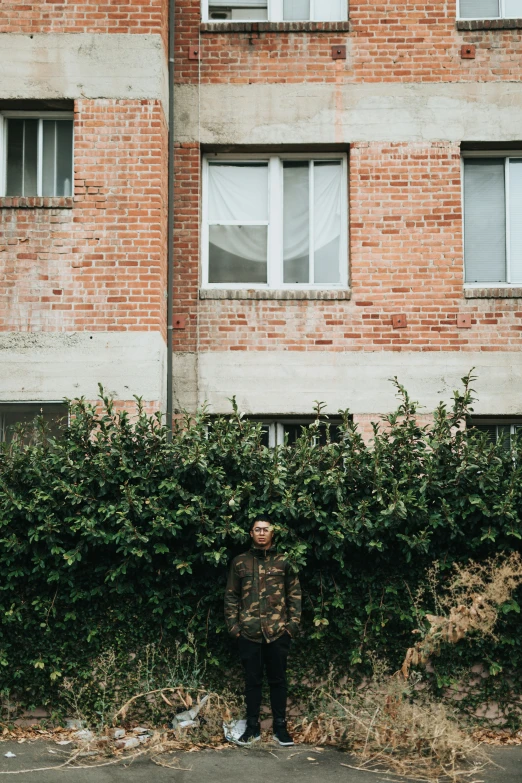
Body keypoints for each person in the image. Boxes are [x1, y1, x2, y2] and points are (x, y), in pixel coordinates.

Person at [224, 514, 301, 747]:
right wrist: (234, 628)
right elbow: (231, 596)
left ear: (272, 533)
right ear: (251, 533)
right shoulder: (240, 562)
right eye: (257, 529)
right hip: (249, 633)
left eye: (265, 529)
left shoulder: (285, 562)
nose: (261, 533)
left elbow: (295, 595)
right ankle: (252, 728)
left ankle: (280, 728)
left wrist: (292, 627)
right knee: (252, 682)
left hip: (278, 633)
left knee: (278, 681)